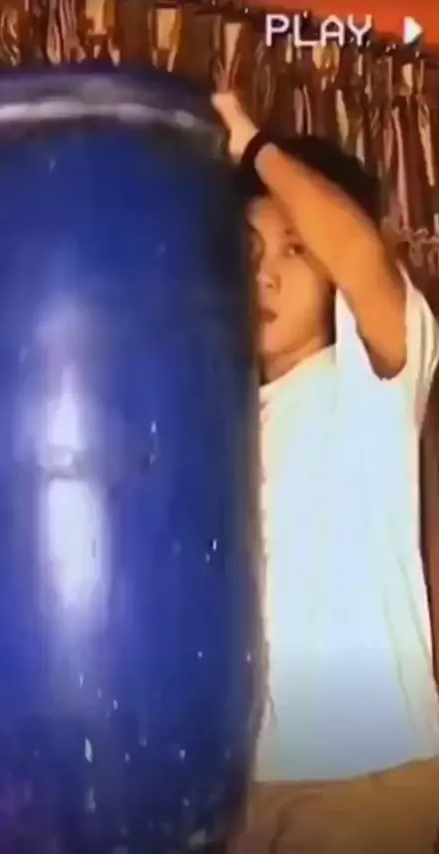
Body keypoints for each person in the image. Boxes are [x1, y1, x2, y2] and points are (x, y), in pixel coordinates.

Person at [211, 92, 439, 853]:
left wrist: (257, 151)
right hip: (254, 784)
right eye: (248, 253)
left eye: (295, 249)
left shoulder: (372, 381)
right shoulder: (225, 419)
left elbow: (362, 259)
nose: (266, 278)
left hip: (370, 773)